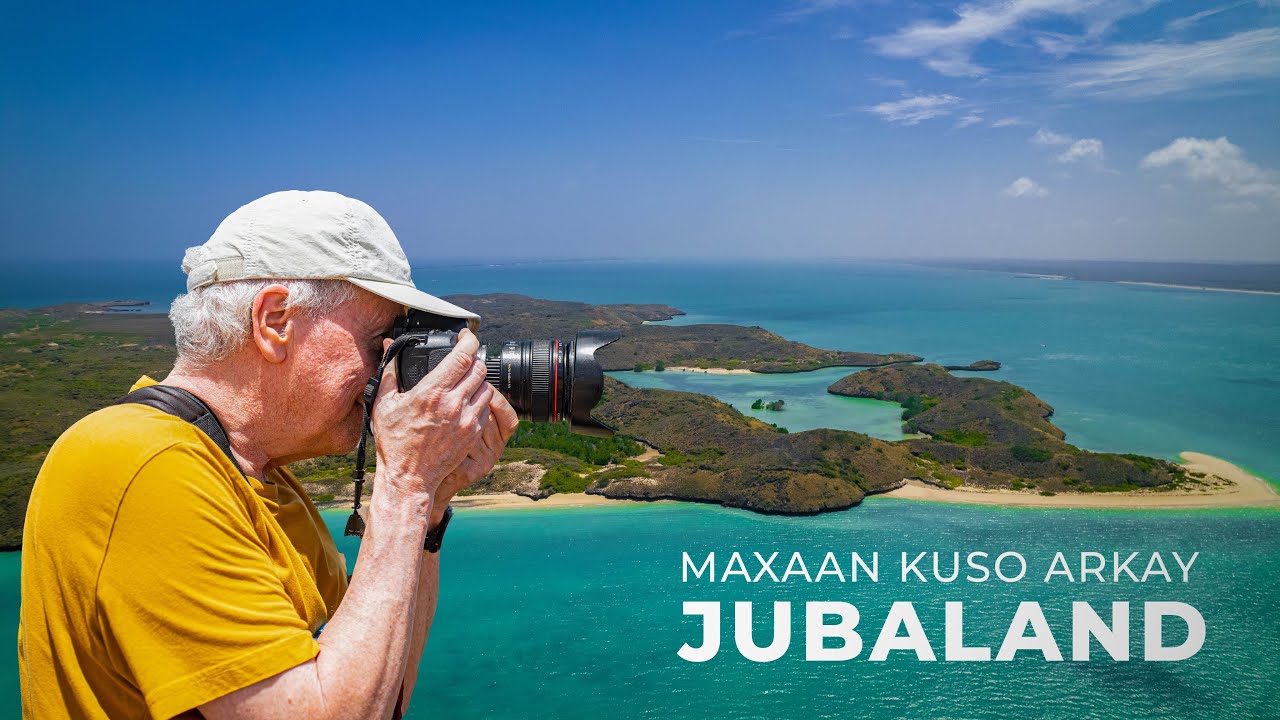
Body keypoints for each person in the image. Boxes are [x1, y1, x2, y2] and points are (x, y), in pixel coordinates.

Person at [18, 190, 519, 719]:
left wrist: (429, 506)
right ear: (275, 320)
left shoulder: (257, 478)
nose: (388, 368)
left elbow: (378, 696)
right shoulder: (142, 463)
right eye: (379, 340)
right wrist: (405, 487)